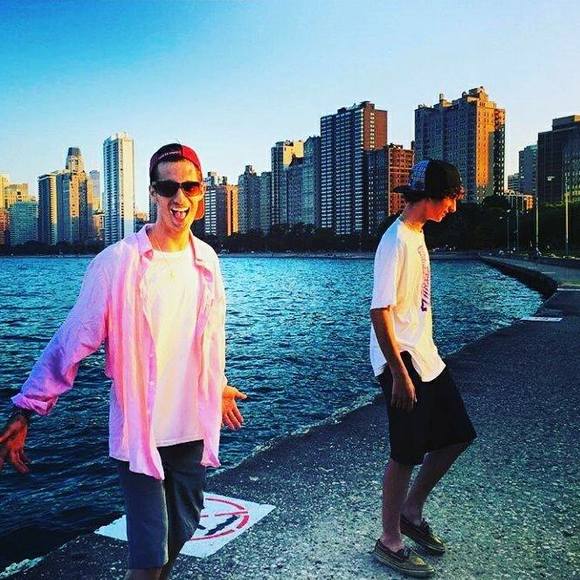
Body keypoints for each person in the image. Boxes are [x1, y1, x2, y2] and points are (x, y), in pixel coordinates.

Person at [0, 143, 247, 580]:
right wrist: (27, 408)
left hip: (192, 428)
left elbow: (210, 338)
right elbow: (72, 340)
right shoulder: (117, 263)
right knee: (148, 556)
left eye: (189, 187)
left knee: (179, 534)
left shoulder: (206, 259)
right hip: (141, 434)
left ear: (200, 192)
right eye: (168, 188)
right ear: (153, 193)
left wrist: (219, 385)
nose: (179, 198)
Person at [370, 159, 477, 577]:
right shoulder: (395, 240)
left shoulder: (417, 234)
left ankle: (411, 511)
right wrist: (399, 373)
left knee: (457, 434)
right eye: (450, 198)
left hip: (425, 355)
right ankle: (389, 540)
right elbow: (379, 312)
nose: (453, 207)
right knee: (405, 452)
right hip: (402, 361)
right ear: (431, 196)